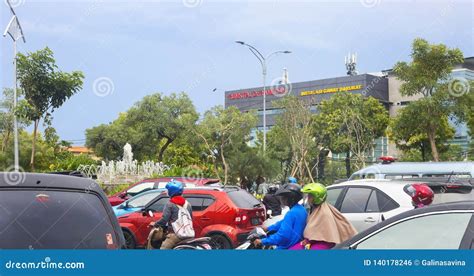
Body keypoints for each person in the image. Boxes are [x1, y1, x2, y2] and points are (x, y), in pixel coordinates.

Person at [290, 183, 357, 250]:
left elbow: (317, 234)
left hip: (322, 244)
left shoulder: (323, 213)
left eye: (310, 196)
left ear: (316, 197)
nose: (308, 199)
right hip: (313, 242)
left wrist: (308, 241)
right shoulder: (316, 209)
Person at [253, 184, 307, 249]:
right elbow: (283, 222)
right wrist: (268, 228)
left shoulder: (291, 213)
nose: (281, 199)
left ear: (291, 198)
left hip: (288, 247)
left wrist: (262, 241)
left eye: (284, 197)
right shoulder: (301, 209)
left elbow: (282, 236)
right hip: (298, 245)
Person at [149, 180, 194, 249]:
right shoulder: (188, 204)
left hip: (175, 235)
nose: (166, 192)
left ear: (171, 191)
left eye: (167, 190)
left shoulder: (170, 204)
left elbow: (164, 220)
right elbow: (190, 218)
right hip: (189, 234)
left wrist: (155, 224)